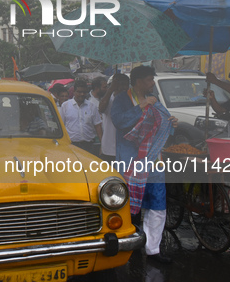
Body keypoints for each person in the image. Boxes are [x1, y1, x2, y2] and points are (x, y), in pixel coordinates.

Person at [111, 66, 177, 264]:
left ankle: (153, 250)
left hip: (154, 160)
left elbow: (162, 124)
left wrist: (172, 123)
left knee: (157, 203)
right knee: (129, 205)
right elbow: (119, 121)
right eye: (149, 80)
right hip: (131, 161)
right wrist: (140, 106)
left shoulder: (154, 98)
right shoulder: (123, 99)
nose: (152, 84)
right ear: (138, 80)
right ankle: (127, 245)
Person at [60, 79, 103, 156]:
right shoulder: (65, 106)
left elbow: (98, 127)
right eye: (79, 92)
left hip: (89, 146)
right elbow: (61, 126)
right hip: (72, 146)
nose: (82, 94)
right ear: (74, 92)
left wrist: (102, 146)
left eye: (84, 92)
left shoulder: (92, 106)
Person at [98, 74, 130, 161]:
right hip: (109, 149)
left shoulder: (130, 100)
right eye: (120, 84)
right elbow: (101, 109)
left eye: (125, 84)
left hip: (126, 148)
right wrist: (111, 89)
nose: (123, 87)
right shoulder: (109, 99)